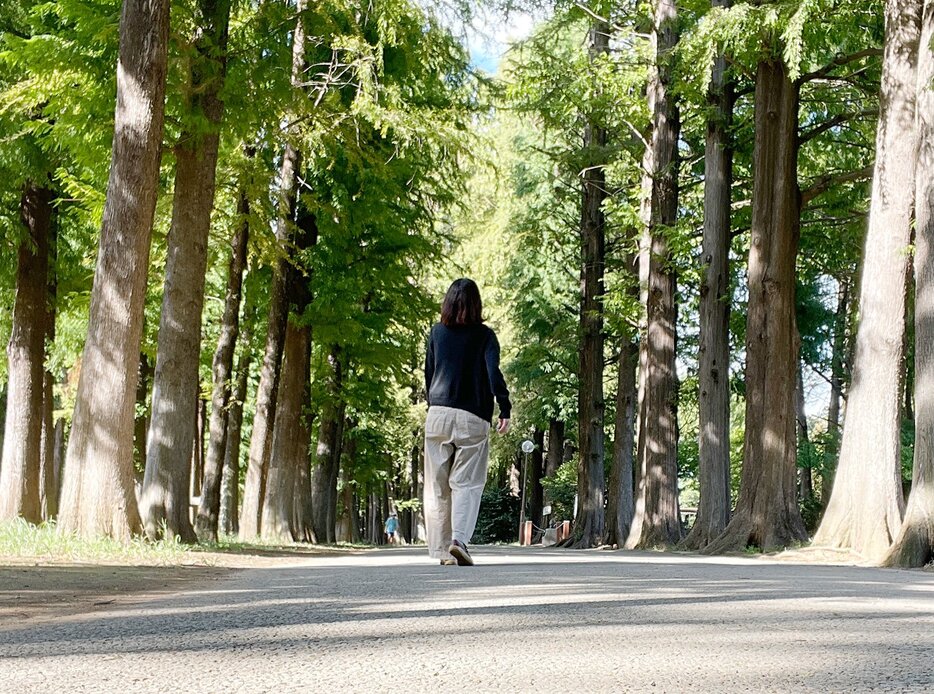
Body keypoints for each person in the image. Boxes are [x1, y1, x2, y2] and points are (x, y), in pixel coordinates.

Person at [423, 278, 511, 566]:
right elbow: (492, 373)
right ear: (477, 304)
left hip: (438, 413)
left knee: (437, 486)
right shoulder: (485, 336)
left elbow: (429, 372)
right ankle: (458, 540)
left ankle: (440, 551)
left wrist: (433, 404)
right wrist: (504, 406)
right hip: (473, 416)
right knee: (466, 483)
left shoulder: (436, 333)